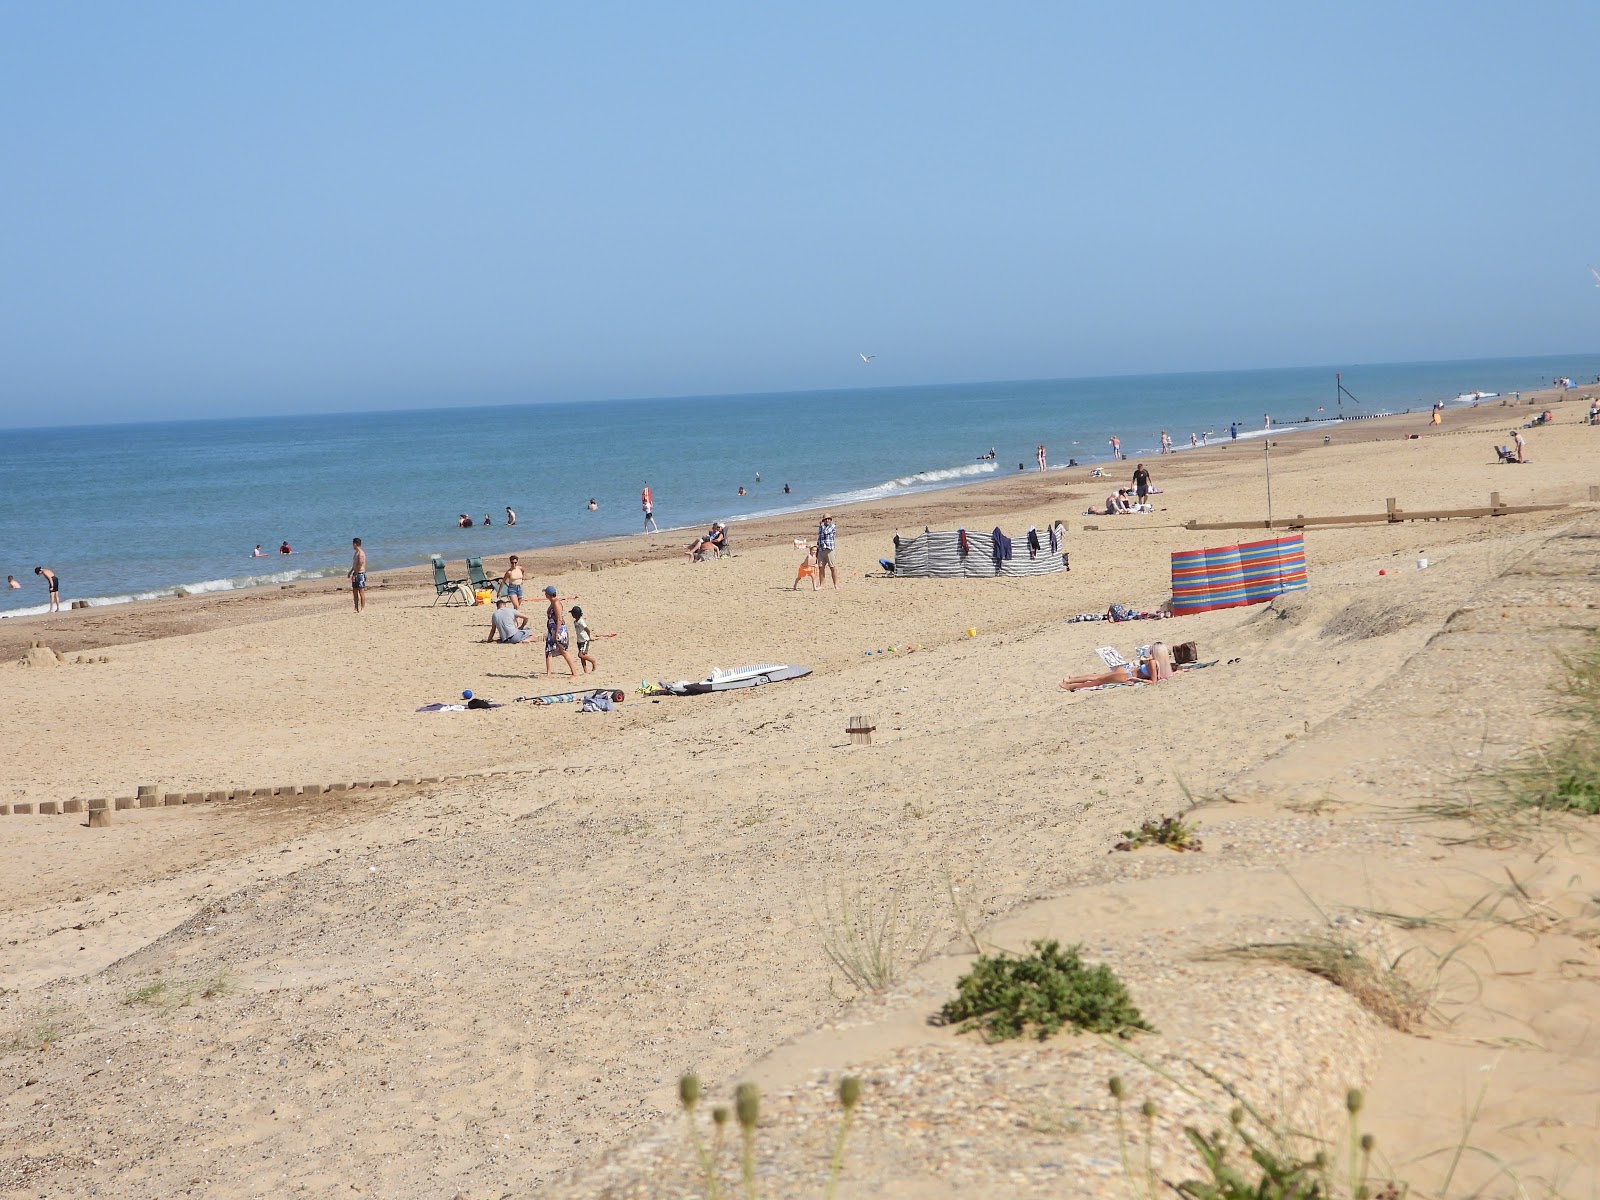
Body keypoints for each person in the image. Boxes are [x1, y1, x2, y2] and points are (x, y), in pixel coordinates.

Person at [1059, 643, 1172, 691]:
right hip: (1129, 673)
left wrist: (1137, 680)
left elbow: (1153, 681)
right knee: (1098, 677)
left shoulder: (1153, 663)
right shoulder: (1162, 664)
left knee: (1098, 680)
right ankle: (1072, 680)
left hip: (1128, 676)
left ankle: (1071, 686)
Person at [542, 585, 579, 677]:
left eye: (546, 593)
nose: (545, 595)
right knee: (548, 651)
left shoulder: (556, 603)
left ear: (549, 594)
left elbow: (559, 619)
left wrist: (556, 633)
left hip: (558, 630)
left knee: (563, 651)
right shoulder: (552, 602)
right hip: (552, 630)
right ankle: (548, 674)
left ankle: (574, 673)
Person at [571, 605, 596, 673]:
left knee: (580, 655)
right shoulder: (575, 622)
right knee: (582, 657)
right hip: (579, 641)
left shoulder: (581, 622)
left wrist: (589, 638)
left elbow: (587, 630)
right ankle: (585, 671)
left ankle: (592, 661)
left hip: (584, 640)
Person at [816, 514, 838, 588]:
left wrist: (821, 526)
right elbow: (819, 538)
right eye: (825, 519)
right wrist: (817, 549)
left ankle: (835, 584)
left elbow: (826, 532)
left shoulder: (832, 526)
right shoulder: (821, 527)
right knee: (821, 568)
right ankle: (821, 584)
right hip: (821, 550)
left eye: (828, 519)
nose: (827, 520)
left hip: (829, 550)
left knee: (832, 567)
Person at [348, 538, 367, 614]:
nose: (352, 545)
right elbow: (355, 565)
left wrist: (355, 574)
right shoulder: (356, 553)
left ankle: (362, 608)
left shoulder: (361, 554)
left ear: (355, 544)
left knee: (361, 591)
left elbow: (360, 565)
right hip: (355, 573)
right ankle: (356, 608)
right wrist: (350, 572)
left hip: (360, 574)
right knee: (354, 591)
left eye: (353, 544)